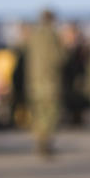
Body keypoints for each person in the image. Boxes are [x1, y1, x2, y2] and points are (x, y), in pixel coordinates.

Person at [25, 9, 65, 157]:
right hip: (50, 82)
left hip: (34, 82)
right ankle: (46, 140)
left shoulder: (34, 36)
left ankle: (39, 139)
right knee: (50, 113)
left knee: (38, 112)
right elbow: (59, 58)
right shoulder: (53, 36)